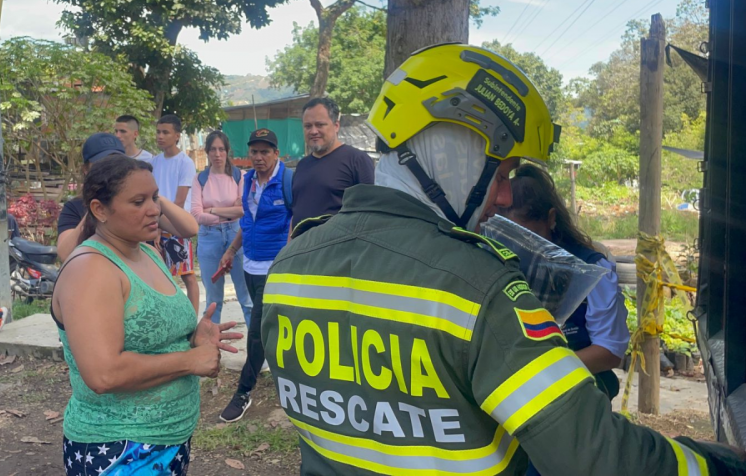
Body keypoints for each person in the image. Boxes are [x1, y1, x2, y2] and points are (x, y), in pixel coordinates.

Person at [259, 43, 746, 475]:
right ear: (454, 153)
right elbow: (596, 456)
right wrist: (719, 463)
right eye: (502, 171)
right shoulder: (481, 287)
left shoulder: (292, 261)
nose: (505, 194)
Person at [51, 154, 241, 476]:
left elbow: (149, 334)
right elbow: (104, 374)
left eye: (154, 197)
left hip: (167, 440)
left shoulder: (148, 253)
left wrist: (193, 337)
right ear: (100, 210)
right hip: (120, 450)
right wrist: (189, 360)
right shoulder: (92, 270)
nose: (155, 209)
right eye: (138, 202)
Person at [500, 163, 629, 400]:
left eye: (529, 238)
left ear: (551, 219)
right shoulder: (496, 259)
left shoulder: (590, 269)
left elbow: (610, 351)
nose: (520, 249)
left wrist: (540, 375)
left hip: (578, 392)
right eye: (511, 239)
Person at [217, 128, 293, 423]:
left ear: (276, 153)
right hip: (250, 266)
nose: (259, 157)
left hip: (275, 268)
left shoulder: (287, 181)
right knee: (272, 328)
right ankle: (289, 382)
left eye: (265, 152)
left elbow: (295, 221)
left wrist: (287, 260)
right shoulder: (247, 180)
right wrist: (231, 250)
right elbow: (247, 221)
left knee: (258, 333)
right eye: (254, 152)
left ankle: (244, 392)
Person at [57, 133, 197, 262]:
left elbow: (189, 229)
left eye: (117, 163)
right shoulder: (75, 207)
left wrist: (150, 195)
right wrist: (97, 203)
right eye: (102, 164)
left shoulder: (145, 208)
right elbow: (65, 254)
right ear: (86, 169)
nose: (110, 170)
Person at [191, 131, 252, 326]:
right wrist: (229, 211)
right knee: (213, 300)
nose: (217, 154)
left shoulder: (238, 176)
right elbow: (197, 215)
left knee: (246, 298)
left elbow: (244, 210)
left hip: (236, 235)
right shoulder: (200, 179)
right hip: (209, 238)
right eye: (213, 150)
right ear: (207, 152)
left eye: (221, 149)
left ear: (227, 152)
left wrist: (214, 210)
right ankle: (212, 350)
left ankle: (255, 351)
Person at [291, 97, 375, 228]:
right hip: (301, 247)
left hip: (339, 247)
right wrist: (289, 246)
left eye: (320, 125)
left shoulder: (357, 160)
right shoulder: (302, 165)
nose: (313, 131)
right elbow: (296, 212)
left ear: (336, 126)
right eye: (308, 126)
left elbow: (371, 213)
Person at [151, 114, 200, 313]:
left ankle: (193, 317)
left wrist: (162, 223)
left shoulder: (185, 162)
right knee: (161, 275)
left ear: (177, 136)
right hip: (156, 225)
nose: (160, 136)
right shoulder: (154, 161)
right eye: (158, 132)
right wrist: (154, 226)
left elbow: (179, 201)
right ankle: (168, 316)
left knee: (187, 274)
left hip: (177, 226)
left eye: (165, 132)